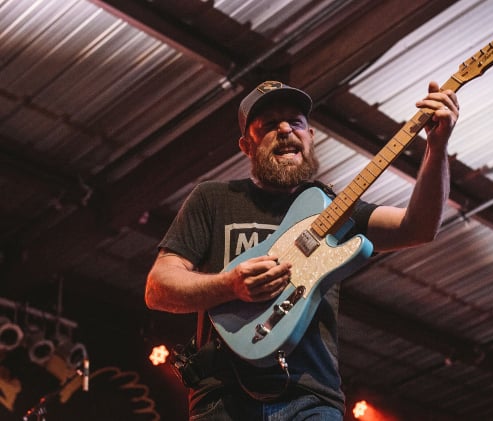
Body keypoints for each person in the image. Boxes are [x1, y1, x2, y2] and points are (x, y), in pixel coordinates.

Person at [145, 79, 459, 420]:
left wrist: (437, 147)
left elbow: (419, 227)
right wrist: (230, 285)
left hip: (312, 396)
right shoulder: (213, 198)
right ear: (246, 145)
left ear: (310, 136)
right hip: (223, 397)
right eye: (268, 125)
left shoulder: (335, 208)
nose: (285, 130)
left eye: (295, 122)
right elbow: (158, 288)